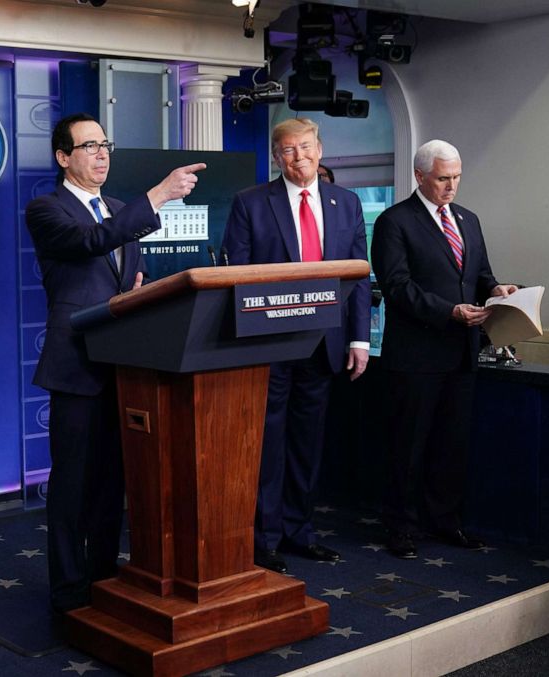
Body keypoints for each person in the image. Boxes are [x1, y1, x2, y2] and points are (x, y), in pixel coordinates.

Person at [26, 112, 205, 614]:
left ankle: (103, 580)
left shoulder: (120, 208)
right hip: (76, 367)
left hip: (125, 368)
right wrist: (160, 195)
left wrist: (139, 291)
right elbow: (89, 243)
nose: (102, 154)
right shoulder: (46, 209)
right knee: (72, 487)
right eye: (89, 146)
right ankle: (67, 591)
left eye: (106, 144)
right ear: (64, 157)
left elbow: (127, 276)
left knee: (111, 486)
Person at [222, 118, 371, 574]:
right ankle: (263, 539)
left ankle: (299, 532)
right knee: (267, 446)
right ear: (276, 156)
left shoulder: (345, 203)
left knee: (308, 444)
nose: (298, 157)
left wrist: (360, 337)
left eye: (305, 147)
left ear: (320, 150)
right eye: (288, 150)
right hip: (267, 345)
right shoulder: (251, 203)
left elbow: (360, 275)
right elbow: (235, 278)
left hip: (324, 344)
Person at [370, 139, 517, 559]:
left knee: (452, 446)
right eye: (442, 179)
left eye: (456, 178)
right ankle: (399, 527)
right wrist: (449, 311)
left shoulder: (468, 219)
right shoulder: (394, 222)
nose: (451, 186)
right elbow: (396, 287)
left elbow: (481, 274)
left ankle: (445, 522)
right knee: (408, 447)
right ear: (420, 176)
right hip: (415, 355)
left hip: (461, 353)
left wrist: (497, 289)